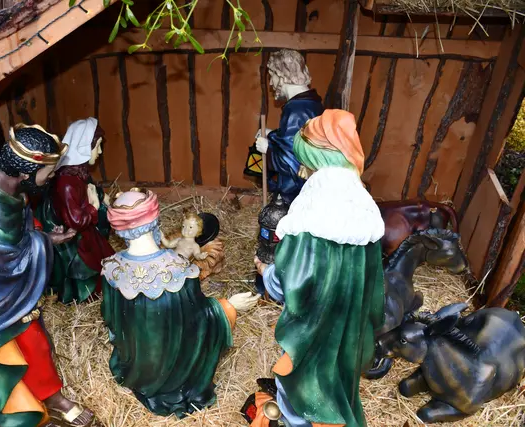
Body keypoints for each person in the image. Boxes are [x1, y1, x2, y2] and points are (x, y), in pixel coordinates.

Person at [0, 124, 94, 427]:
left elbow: (15, 231)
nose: (51, 177)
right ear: (26, 173)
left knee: (33, 342)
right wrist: (47, 242)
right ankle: (51, 400)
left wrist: (36, 232)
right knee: (33, 343)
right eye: (48, 173)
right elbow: (4, 257)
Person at [251, 110, 385, 427]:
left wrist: (266, 272)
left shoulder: (313, 217)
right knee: (336, 382)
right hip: (348, 329)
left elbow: (291, 282)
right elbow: (375, 286)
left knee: (301, 385)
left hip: (314, 329)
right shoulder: (364, 213)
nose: (302, 172)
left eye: (305, 163)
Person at [100, 188, 260, 418]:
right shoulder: (178, 269)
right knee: (223, 310)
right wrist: (227, 306)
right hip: (173, 373)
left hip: (136, 367)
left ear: (119, 229)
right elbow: (197, 322)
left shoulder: (112, 268)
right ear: (155, 220)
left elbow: (111, 320)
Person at [36, 118, 114, 304]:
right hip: (73, 238)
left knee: (109, 261)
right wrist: (94, 207)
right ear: (84, 147)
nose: (100, 152)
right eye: (97, 146)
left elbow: (89, 188)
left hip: (86, 230)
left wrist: (101, 196)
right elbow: (75, 221)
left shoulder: (78, 172)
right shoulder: (67, 183)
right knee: (94, 270)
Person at [254, 49, 324, 205]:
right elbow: (298, 139)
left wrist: (267, 149)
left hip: (297, 197)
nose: (271, 83)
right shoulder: (312, 103)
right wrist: (272, 135)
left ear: (282, 75)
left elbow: (291, 163)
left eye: (272, 76)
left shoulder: (296, 110)